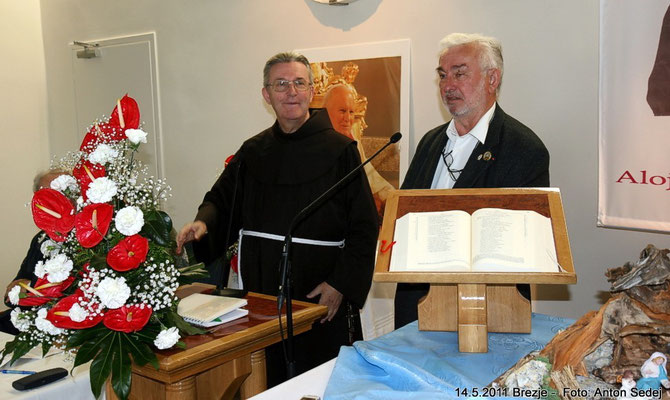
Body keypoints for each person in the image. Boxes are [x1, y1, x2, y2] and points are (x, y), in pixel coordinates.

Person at [176, 52, 378, 385]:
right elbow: (221, 201)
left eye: (299, 83)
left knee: (320, 383)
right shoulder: (253, 151)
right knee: (265, 381)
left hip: (318, 295)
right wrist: (204, 222)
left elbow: (364, 227)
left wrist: (340, 284)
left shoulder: (341, 150)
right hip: (262, 298)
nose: (291, 92)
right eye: (281, 84)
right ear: (266, 95)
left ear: (311, 91)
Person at [394, 33, 550, 329]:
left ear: (492, 79)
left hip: (487, 311)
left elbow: (528, 245)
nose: (448, 85)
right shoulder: (430, 142)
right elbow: (404, 216)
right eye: (442, 75)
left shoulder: (524, 148)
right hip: (417, 304)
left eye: (459, 73)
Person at [323, 84, 394, 217]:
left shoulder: (353, 140)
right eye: (342, 111)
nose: (347, 119)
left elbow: (371, 176)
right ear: (326, 112)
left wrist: (391, 197)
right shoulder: (317, 141)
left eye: (351, 112)